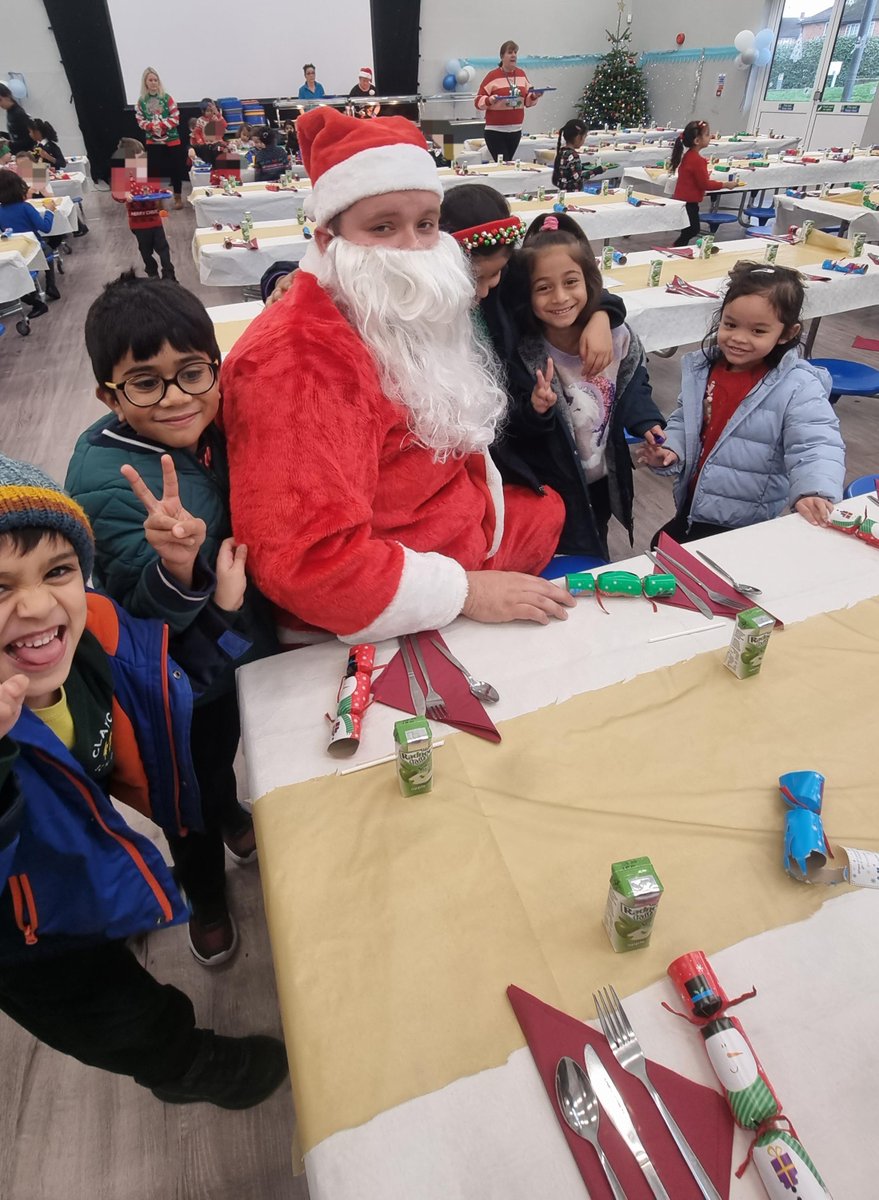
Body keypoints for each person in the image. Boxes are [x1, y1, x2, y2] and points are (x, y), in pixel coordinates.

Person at [222, 107, 575, 644]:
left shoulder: (385, 305)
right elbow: (309, 565)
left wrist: (599, 312)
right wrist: (469, 593)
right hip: (395, 599)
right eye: (384, 226)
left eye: (427, 225)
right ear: (325, 239)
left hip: (462, 527)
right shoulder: (298, 359)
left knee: (555, 506)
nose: (414, 249)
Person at [0, 454, 289, 1107]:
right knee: (115, 1015)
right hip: (28, 937)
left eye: (58, 570)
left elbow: (170, 678)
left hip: (88, 851)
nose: (40, 603)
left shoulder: (92, 636)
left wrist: (221, 613)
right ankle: (186, 1069)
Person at [66, 273, 278, 965]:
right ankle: (205, 897)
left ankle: (229, 810)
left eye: (191, 372)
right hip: (176, 677)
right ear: (109, 395)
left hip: (232, 648)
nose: (178, 396)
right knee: (183, 789)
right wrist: (179, 565)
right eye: (146, 382)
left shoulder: (216, 428)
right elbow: (136, 613)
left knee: (222, 752)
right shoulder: (106, 481)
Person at [638, 263, 845, 544]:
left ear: (787, 333)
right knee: (662, 548)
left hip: (746, 517)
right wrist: (671, 448)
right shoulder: (704, 370)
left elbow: (817, 444)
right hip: (696, 500)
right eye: (730, 324)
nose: (738, 338)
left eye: (758, 331)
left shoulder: (798, 385)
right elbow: (685, 421)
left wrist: (815, 491)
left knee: (687, 562)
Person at [499, 216, 664, 559]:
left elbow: (633, 384)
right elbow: (512, 427)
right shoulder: (525, 350)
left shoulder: (618, 337)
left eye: (571, 282)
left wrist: (647, 422)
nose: (559, 297)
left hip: (601, 479)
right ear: (525, 294)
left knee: (597, 544)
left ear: (590, 282)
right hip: (553, 487)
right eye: (543, 288)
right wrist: (536, 410)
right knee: (558, 556)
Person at [110, 137, 175, 280]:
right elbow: (116, 193)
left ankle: (169, 274)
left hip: (154, 219)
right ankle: (152, 274)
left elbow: (157, 189)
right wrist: (124, 194)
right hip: (138, 222)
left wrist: (164, 192)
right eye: (137, 156)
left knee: (163, 248)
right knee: (146, 251)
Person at [0, 167, 60, 311]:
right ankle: (51, 284)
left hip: (14, 251)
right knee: (47, 250)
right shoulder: (25, 207)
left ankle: (32, 295)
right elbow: (45, 228)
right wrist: (49, 212)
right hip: (34, 246)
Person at [670, 120, 737, 247]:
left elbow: (696, 178)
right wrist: (725, 185)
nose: (710, 137)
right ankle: (676, 248)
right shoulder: (697, 160)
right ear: (697, 141)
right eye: (707, 135)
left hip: (685, 200)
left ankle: (678, 248)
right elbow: (705, 185)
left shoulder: (689, 156)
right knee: (692, 230)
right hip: (688, 202)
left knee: (689, 230)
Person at [475, 41, 540, 163]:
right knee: (504, 163)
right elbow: (478, 101)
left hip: (515, 130)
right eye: (510, 53)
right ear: (502, 56)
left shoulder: (521, 74)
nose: (514, 55)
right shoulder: (492, 76)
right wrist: (489, 100)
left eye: (515, 52)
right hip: (495, 131)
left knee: (508, 163)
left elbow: (527, 101)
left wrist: (535, 96)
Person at [135, 67, 185, 209]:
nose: (153, 83)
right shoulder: (142, 101)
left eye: (155, 80)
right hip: (153, 140)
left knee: (175, 168)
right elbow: (139, 120)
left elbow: (176, 117)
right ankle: (157, 199)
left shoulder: (167, 98)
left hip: (171, 139)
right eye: (150, 80)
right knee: (154, 170)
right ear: (145, 82)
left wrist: (162, 125)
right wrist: (151, 126)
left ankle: (177, 197)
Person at [551, 119, 603, 192]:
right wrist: (597, 171)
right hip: (573, 193)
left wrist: (584, 166)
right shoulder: (573, 155)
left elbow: (568, 169)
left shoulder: (562, 151)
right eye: (584, 137)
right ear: (578, 137)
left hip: (562, 192)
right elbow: (578, 180)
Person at [189, 99, 228, 168]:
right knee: (209, 161)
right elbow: (196, 133)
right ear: (203, 111)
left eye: (211, 110)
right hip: (206, 145)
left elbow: (224, 125)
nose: (210, 112)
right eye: (208, 111)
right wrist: (200, 142)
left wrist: (217, 113)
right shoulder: (200, 120)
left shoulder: (215, 118)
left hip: (217, 143)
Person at [0, 82, 32, 153]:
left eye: (0, 100)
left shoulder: (18, 113)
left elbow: (29, 139)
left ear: (7, 96)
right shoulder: (10, 111)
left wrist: (9, 144)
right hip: (17, 152)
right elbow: (15, 134)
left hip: (25, 153)